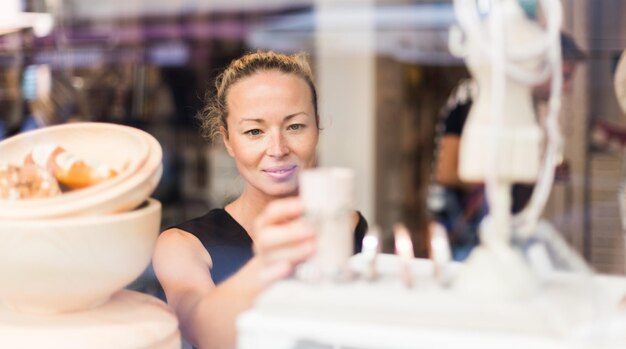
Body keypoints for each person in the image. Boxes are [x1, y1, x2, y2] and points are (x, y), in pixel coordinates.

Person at [152, 51, 368, 349]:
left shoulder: (349, 224)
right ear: (226, 139)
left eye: (295, 126)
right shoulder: (182, 246)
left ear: (317, 127)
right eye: (254, 131)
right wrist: (267, 264)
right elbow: (202, 333)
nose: (277, 149)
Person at [432, 32, 585, 261]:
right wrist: (530, 174)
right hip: (468, 237)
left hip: (497, 233)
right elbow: (447, 173)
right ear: (539, 66)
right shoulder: (479, 94)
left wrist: (539, 174)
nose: (567, 87)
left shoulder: (521, 102)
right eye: (564, 76)